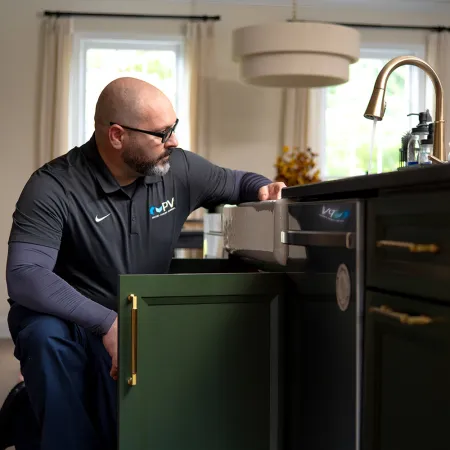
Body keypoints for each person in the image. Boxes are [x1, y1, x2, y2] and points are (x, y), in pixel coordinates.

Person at [5, 77, 286, 450]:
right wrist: (107, 322)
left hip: (135, 315)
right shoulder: (53, 185)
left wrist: (265, 188)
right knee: (46, 340)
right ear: (117, 135)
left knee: (121, 428)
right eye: (162, 133)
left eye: (174, 127)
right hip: (71, 321)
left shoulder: (178, 168)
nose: (174, 141)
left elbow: (238, 181)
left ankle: (29, 410)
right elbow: (25, 275)